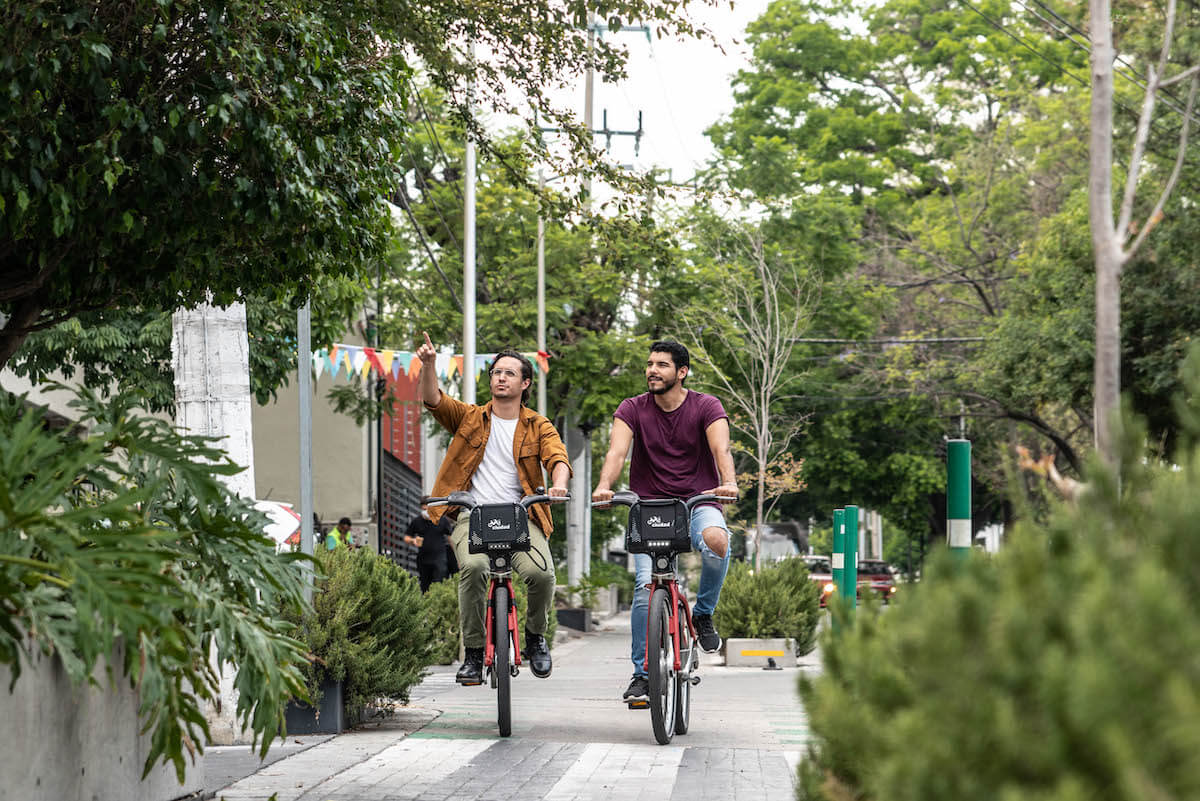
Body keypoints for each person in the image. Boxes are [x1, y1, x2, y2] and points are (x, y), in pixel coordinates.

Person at [416, 332, 571, 685]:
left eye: (509, 373)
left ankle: (535, 638)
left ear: (525, 382)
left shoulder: (538, 425)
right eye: (496, 372)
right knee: (472, 568)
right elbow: (433, 400)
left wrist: (559, 483)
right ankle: (472, 653)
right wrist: (428, 365)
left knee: (542, 575)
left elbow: (557, 458)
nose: (500, 377)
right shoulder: (470, 418)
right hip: (473, 515)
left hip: (521, 516)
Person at [592, 340, 738, 704]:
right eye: (649, 364)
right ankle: (642, 674)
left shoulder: (707, 406)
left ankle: (703, 613)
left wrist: (729, 482)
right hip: (650, 506)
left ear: (682, 371)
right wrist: (604, 487)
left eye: (662, 364)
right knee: (645, 589)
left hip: (698, 500)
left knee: (718, 541)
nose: (652, 370)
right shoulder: (632, 409)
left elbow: (722, 450)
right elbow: (616, 452)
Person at [404, 497, 452, 592]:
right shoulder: (417, 521)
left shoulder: (442, 520)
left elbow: (450, 537)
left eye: (427, 509)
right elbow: (407, 537)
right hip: (423, 559)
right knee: (425, 584)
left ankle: (438, 603)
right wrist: (413, 541)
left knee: (439, 581)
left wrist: (456, 554)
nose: (426, 512)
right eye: (423, 509)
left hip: (439, 557)